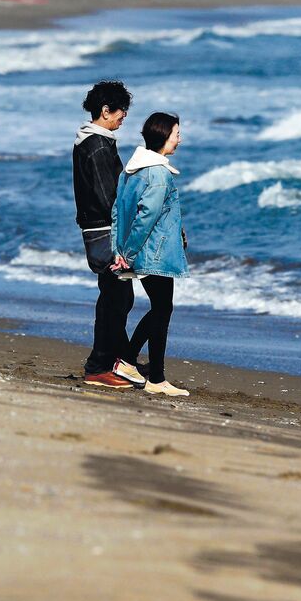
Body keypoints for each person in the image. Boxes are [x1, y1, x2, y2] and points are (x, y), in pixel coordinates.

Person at [112, 112, 190, 397]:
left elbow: (118, 211)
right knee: (162, 309)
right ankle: (130, 362)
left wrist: (119, 250)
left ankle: (155, 376)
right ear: (164, 136)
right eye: (177, 134)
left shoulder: (131, 170)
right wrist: (129, 254)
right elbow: (147, 217)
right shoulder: (158, 173)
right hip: (153, 252)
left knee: (161, 309)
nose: (179, 139)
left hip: (141, 250)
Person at [73, 81, 143, 389]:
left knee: (115, 296)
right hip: (105, 231)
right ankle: (101, 365)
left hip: (96, 229)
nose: (123, 118)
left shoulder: (90, 141)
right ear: (105, 111)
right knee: (118, 296)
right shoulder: (98, 146)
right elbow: (107, 198)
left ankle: (113, 359)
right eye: (121, 113)